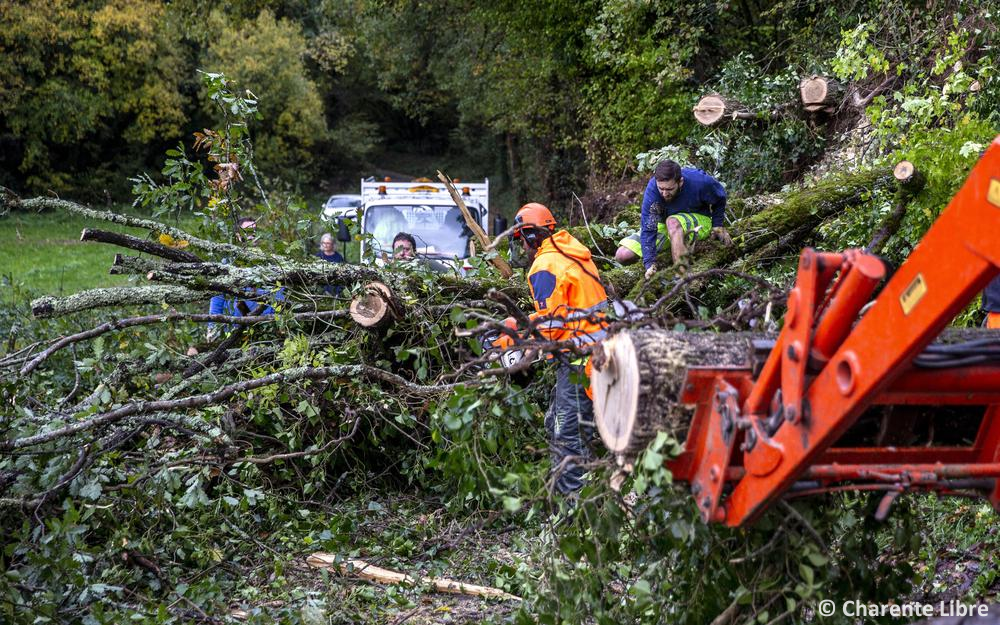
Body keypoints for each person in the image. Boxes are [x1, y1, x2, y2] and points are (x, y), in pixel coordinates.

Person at [497, 203, 609, 494]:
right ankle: (590, 488)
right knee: (556, 424)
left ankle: (574, 511)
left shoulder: (544, 266)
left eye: (522, 238)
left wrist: (517, 337)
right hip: (598, 351)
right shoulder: (570, 251)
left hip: (578, 361)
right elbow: (563, 312)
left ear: (533, 236)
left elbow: (550, 327)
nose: (521, 245)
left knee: (568, 434)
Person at [613, 160, 733, 276]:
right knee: (623, 255)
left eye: (669, 189)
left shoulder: (700, 182)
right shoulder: (653, 190)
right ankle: (672, 249)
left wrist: (717, 225)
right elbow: (649, 228)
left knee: (672, 222)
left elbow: (720, 198)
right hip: (665, 224)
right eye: (661, 189)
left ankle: (682, 278)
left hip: (700, 219)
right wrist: (650, 263)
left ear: (680, 182)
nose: (665, 194)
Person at [207, 217, 283, 337]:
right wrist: (212, 329)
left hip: (265, 329)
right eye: (247, 231)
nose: (252, 235)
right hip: (234, 330)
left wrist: (277, 323)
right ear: (238, 235)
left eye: (254, 231)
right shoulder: (227, 264)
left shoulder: (269, 262)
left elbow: (278, 295)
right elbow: (217, 298)